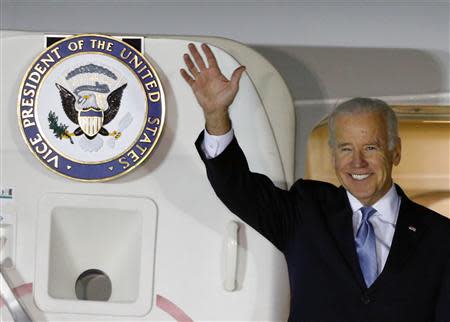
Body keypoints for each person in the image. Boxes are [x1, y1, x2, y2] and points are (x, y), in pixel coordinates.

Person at [181, 43, 450, 322]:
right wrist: (216, 116)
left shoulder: (441, 237)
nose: (357, 162)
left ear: (396, 151)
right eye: (346, 149)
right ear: (333, 155)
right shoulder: (305, 211)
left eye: (371, 148)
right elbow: (235, 187)